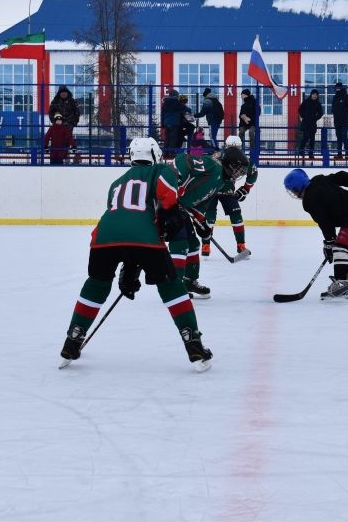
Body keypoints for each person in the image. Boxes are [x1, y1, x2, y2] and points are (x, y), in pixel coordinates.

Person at [57, 137, 213, 372]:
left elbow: (123, 215)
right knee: (171, 286)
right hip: (144, 238)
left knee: (96, 285)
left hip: (104, 238)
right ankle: (193, 342)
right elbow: (168, 199)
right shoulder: (161, 170)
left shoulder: (117, 182)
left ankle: (73, 338)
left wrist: (131, 264)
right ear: (155, 154)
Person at [283, 168, 348, 300]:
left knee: (341, 247)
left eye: (293, 190)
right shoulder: (319, 179)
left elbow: (325, 222)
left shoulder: (309, 201)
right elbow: (342, 176)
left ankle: (341, 284)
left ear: (297, 188)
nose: (293, 193)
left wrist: (329, 242)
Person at [171, 146, 250, 297]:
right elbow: (184, 158)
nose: (239, 174)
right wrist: (175, 182)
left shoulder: (221, 181)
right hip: (169, 205)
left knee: (193, 243)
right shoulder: (213, 165)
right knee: (180, 243)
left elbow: (200, 203)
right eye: (238, 169)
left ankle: (189, 282)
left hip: (181, 208)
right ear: (230, 164)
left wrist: (203, 224)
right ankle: (175, 288)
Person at [201, 135, 258, 257]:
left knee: (231, 215)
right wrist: (245, 189)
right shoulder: (219, 157)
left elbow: (252, 171)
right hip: (215, 190)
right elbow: (252, 173)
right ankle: (207, 245)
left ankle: (237, 245)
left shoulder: (219, 155)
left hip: (219, 191)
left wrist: (245, 189)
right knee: (214, 217)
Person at [298, 89, 324, 159]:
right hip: (306, 123)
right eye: (313, 94)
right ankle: (301, 151)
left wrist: (315, 118)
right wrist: (304, 116)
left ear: (317, 96)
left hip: (313, 124)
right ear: (311, 95)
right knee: (305, 137)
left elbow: (321, 113)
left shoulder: (318, 104)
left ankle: (311, 154)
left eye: (316, 95)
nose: (314, 96)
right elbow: (300, 109)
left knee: (312, 139)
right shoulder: (306, 102)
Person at [331, 81, 348, 159]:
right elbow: (333, 108)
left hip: (344, 121)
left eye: (339, 88)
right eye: (336, 88)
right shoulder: (335, 97)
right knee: (339, 137)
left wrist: (343, 109)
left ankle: (347, 153)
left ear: (341, 88)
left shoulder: (346, 96)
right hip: (337, 121)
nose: (337, 89)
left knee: (344, 136)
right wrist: (334, 111)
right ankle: (339, 154)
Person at [161, 89, 187, 158]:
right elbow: (184, 109)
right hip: (174, 123)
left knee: (167, 138)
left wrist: (162, 124)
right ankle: (171, 153)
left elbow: (162, 114)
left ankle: (165, 153)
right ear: (176, 95)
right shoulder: (177, 102)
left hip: (166, 123)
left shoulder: (165, 103)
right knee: (173, 138)